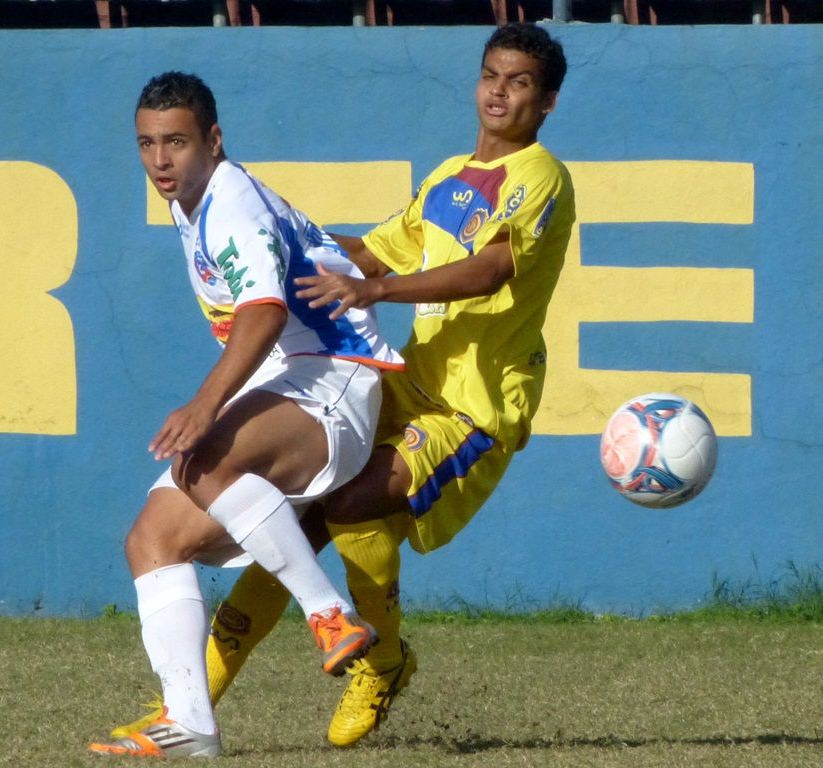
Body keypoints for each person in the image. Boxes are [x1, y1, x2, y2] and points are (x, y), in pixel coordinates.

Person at [114, 21, 574, 750]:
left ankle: (383, 661)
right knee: (295, 520)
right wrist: (281, 233)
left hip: (475, 406)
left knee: (352, 502)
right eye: (492, 75)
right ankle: (194, 701)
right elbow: (364, 249)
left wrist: (378, 291)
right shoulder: (451, 175)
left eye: (520, 83)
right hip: (410, 380)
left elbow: (490, 269)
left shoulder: (541, 176)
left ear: (546, 102)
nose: (499, 92)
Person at [88, 71, 404, 759]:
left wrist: (205, 406)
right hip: (287, 379)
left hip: (337, 383)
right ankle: (189, 721)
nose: (160, 160)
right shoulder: (190, 199)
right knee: (152, 543)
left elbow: (263, 312)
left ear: (214, 139)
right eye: (147, 144)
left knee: (204, 458)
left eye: (176, 141)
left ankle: (331, 615)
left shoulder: (231, 202)